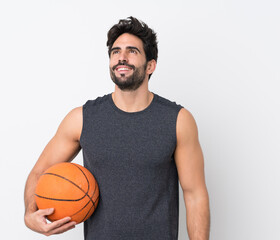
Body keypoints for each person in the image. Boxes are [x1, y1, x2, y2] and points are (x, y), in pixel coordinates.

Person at [24, 16, 210, 240]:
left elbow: (195, 195)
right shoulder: (82, 118)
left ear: (150, 65)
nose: (122, 57)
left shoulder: (178, 120)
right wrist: (29, 214)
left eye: (132, 51)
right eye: (115, 51)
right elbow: (39, 172)